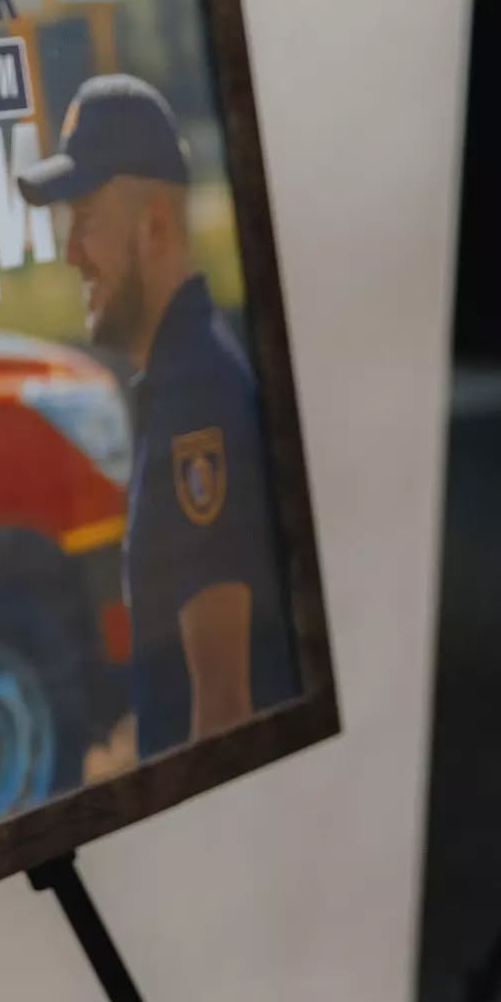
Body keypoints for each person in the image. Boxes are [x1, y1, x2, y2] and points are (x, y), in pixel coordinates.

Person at [18, 74, 300, 761]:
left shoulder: (197, 402)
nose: (69, 252)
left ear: (154, 226)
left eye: (84, 218)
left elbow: (225, 711)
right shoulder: (184, 378)